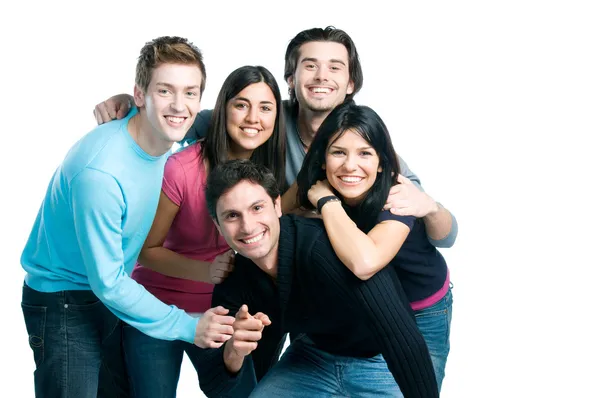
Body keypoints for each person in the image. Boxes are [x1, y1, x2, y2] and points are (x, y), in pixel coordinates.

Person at [93, 26, 458, 249]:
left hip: (385, 290)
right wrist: (131, 101)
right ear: (291, 78)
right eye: (309, 66)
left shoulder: (366, 145)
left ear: (350, 84)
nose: (321, 76)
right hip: (294, 276)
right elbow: (176, 117)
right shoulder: (265, 117)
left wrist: (432, 207)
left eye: (335, 67)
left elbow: (445, 235)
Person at [20, 36, 234, 398]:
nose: (179, 106)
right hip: (66, 301)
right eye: (165, 91)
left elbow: (241, 118)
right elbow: (108, 282)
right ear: (140, 95)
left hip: (111, 292)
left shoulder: (170, 129)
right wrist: (188, 326)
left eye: (190, 93)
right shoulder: (101, 174)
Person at [201, 159, 439, 398]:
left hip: (378, 358)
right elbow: (216, 387)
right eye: (232, 215)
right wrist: (234, 351)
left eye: (257, 208)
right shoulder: (234, 276)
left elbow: (399, 334)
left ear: (277, 205)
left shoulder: (322, 248)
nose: (248, 226)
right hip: (313, 355)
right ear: (218, 225)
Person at [123, 65, 286, 397]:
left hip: (221, 309)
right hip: (158, 308)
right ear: (222, 108)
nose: (253, 117)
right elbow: (146, 250)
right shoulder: (181, 169)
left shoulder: (267, 171)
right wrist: (206, 270)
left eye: (265, 107)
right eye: (242, 104)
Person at [295, 101, 452, 392]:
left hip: (422, 309)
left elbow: (365, 263)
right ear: (322, 158)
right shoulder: (316, 183)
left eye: (364, 153)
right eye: (338, 152)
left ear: (381, 162)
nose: (350, 165)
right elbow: (278, 216)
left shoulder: (396, 196)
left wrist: (326, 203)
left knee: (419, 387)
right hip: (367, 306)